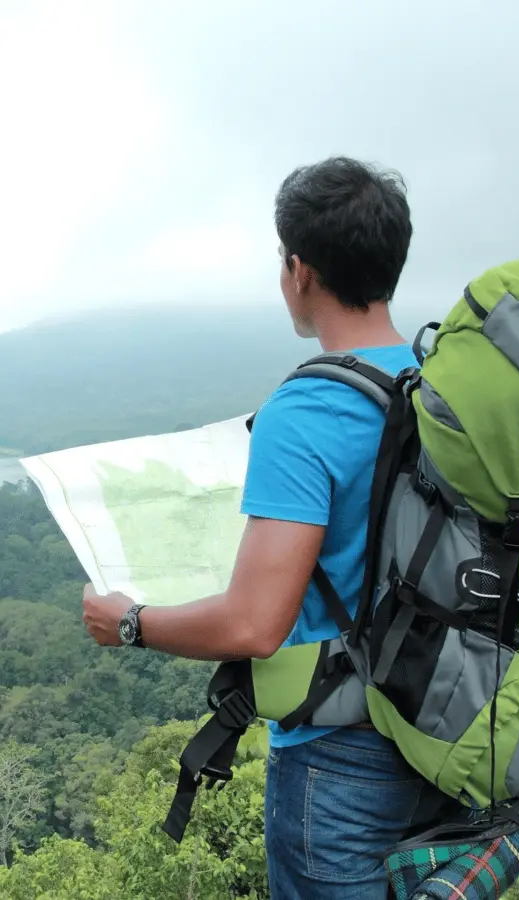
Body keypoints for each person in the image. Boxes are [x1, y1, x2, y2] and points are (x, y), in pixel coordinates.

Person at [83, 156, 450, 899]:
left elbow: (253, 625)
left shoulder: (308, 409)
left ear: (299, 270)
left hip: (341, 764)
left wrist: (130, 623)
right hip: (447, 736)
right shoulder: (439, 382)